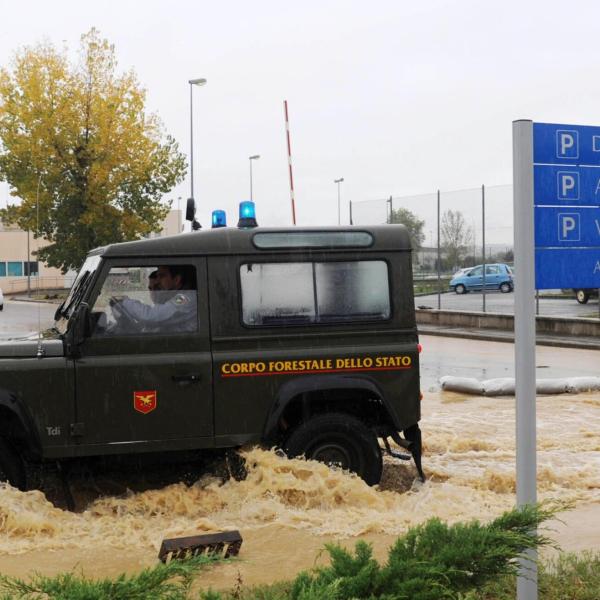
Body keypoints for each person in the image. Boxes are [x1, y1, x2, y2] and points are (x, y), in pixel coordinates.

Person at [109, 265, 197, 333]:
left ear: (177, 279)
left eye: (162, 276)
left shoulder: (186, 297)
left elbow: (153, 316)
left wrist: (125, 302)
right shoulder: (181, 295)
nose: (158, 281)